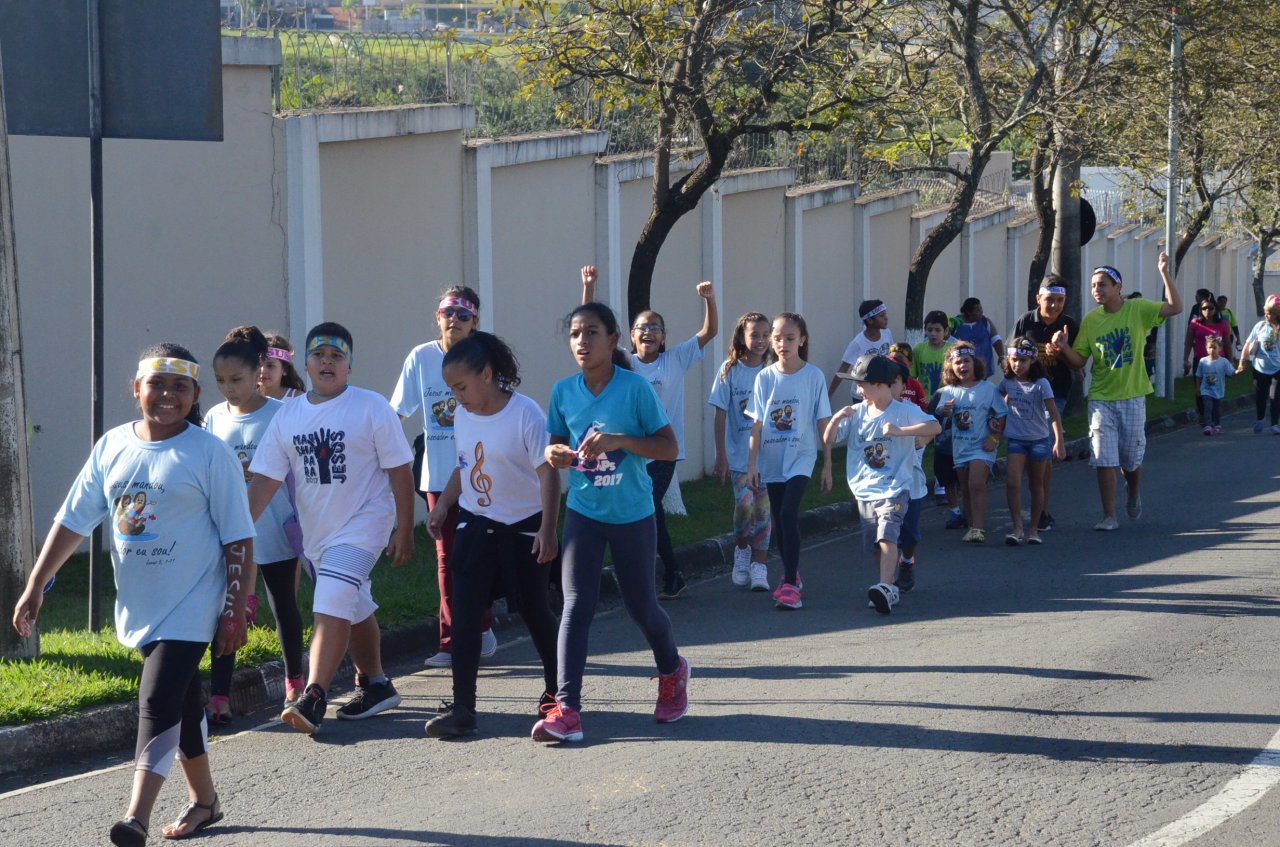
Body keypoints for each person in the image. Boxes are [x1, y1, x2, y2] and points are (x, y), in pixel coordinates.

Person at [12, 344, 255, 845]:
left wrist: (235, 610)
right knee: (183, 706)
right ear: (136, 389)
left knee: (158, 698)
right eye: (157, 385)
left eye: (180, 387)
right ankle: (205, 803)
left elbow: (239, 537)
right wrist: (36, 584)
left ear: (194, 395)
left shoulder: (210, 453)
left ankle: (135, 817)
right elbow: (73, 520)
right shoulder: (112, 446)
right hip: (142, 605)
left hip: (193, 604)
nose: (167, 395)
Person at [248, 323, 416, 735]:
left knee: (332, 600)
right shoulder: (288, 415)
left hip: (366, 523)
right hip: (318, 532)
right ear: (305, 364)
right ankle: (375, 683)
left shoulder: (371, 407)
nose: (327, 361)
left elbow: (400, 471)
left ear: (349, 366)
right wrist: (232, 531)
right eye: (319, 355)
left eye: (336, 356)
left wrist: (405, 528)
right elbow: (266, 481)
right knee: (353, 603)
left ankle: (314, 695)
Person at [534, 302, 689, 743]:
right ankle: (567, 710)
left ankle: (672, 670)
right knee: (575, 605)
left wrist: (621, 440)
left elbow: (668, 447)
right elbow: (554, 448)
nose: (582, 342)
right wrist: (555, 454)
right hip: (584, 513)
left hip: (633, 515)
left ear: (613, 339)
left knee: (642, 607)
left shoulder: (635, 390)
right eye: (575, 334)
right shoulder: (563, 391)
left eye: (592, 333)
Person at [423, 332, 561, 738]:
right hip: (477, 524)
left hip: (525, 528)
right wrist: (445, 505)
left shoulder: (526, 414)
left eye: (461, 387)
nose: (457, 397)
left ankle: (560, 693)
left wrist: (549, 530)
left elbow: (547, 473)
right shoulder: (464, 414)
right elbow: (465, 466)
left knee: (535, 611)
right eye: (451, 389)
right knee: (465, 614)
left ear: (487, 374)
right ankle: (463, 707)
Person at [582, 266, 718, 600]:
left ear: (663, 335)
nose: (649, 333)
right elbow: (588, 331)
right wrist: (589, 288)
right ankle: (663, 574)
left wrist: (709, 300)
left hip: (664, 450)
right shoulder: (623, 361)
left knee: (650, 507)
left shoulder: (676, 359)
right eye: (643, 328)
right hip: (630, 450)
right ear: (631, 335)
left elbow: (710, 331)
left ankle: (667, 574)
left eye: (655, 328)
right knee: (640, 511)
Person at [203, 326, 307, 723]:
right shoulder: (213, 418)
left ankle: (294, 681)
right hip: (229, 533)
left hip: (275, 529)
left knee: (283, 605)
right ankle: (220, 696)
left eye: (238, 380)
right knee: (226, 611)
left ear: (258, 373)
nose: (230, 389)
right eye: (221, 382)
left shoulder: (282, 414)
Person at [391, 286, 497, 669]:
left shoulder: (485, 358)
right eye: (448, 312)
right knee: (448, 557)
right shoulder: (421, 358)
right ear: (437, 317)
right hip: (438, 476)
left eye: (463, 315)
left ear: (475, 322)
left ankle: (482, 625)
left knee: (479, 554)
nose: (454, 320)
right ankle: (451, 641)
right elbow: (397, 412)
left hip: (483, 471)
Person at [1049, 254, 1183, 530]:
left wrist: (1163, 272)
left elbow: (1175, 307)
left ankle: (1133, 491)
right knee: (1103, 459)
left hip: (1133, 396)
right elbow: (1080, 361)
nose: (1097, 290)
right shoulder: (1091, 320)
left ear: (1117, 287)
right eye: (1094, 285)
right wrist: (1064, 349)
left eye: (1103, 284)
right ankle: (1109, 516)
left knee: (1130, 460)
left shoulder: (1137, 309)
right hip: (1101, 399)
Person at [825, 354, 939, 615]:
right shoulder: (855, 413)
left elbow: (935, 426)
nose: (857, 390)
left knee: (888, 534)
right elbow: (828, 439)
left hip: (896, 487)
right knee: (875, 543)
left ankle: (885, 587)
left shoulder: (903, 410)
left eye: (861, 384)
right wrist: (834, 420)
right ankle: (886, 584)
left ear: (879, 385)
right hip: (864, 489)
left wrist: (902, 432)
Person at [746, 312, 833, 610]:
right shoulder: (764, 378)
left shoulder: (814, 376)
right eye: (778, 338)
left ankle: (791, 582)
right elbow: (756, 425)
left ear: (802, 340)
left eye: (790, 338)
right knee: (781, 524)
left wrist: (828, 465)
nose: (783, 344)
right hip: (771, 459)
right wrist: (752, 464)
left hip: (801, 457)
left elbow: (823, 423)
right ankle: (790, 573)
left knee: (787, 514)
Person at [709, 312, 772, 592]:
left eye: (765, 334)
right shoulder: (729, 370)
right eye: (754, 334)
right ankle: (743, 549)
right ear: (742, 337)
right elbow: (720, 414)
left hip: (768, 458)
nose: (760, 340)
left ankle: (760, 565)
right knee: (744, 505)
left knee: (763, 512)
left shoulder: (774, 370)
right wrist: (721, 455)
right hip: (738, 457)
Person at [1013, 277, 1078, 532]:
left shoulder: (1069, 324)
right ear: (1038, 298)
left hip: (1055, 394)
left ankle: (1042, 512)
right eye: (1049, 299)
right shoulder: (1025, 321)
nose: (1054, 305)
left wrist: (1062, 351)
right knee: (1030, 455)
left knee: (1043, 453)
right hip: (1024, 395)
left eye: (1060, 300)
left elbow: (1078, 364)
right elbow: (1011, 354)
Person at [931, 341, 1007, 544]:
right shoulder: (948, 391)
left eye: (966, 361)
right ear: (951, 367)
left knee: (976, 483)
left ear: (975, 363)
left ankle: (978, 529)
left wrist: (994, 439)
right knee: (965, 487)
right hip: (960, 447)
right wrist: (945, 411)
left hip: (982, 446)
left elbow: (1002, 414)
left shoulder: (988, 389)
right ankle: (972, 525)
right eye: (957, 363)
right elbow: (940, 414)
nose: (962, 366)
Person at [998, 338, 1066, 545]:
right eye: (1014, 360)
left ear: (1033, 361)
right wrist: (996, 421)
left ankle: (1034, 529)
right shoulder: (1007, 382)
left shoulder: (1041, 384)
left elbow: (1054, 415)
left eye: (1023, 361)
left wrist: (1059, 442)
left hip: (1039, 441)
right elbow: (997, 401)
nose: (1018, 365)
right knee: (1012, 482)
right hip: (1016, 440)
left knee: (1036, 485)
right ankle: (1017, 527)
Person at [829, 299, 895, 402]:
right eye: (881, 316)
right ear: (870, 320)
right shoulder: (857, 343)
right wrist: (827, 397)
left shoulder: (887, 334)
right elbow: (842, 370)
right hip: (861, 395)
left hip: (881, 391)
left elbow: (891, 358)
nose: (886, 318)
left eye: (885, 314)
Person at [1184, 298, 1235, 427]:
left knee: (1215, 388)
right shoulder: (1195, 323)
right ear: (1200, 310)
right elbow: (1189, 341)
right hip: (1201, 361)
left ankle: (1214, 417)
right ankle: (1203, 415)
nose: (1207, 311)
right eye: (1204, 308)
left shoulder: (1222, 324)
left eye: (1210, 308)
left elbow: (1227, 343)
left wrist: (1230, 360)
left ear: (1215, 309)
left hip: (1218, 362)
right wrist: (1186, 359)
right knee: (1201, 389)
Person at [1236, 295, 1280, 433]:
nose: (1267, 316)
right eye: (1266, 313)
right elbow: (1248, 344)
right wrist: (1242, 361)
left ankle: (1274, 424)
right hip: (1259, 368)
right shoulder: (1259, 326)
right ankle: (1260, 419)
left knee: (1275, 396)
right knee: (1260, 396)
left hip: (1277, 368)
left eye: (1270, 314)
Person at [950, 297, 1006, 380]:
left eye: (981, 309)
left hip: (983, 369)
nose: (981, 312)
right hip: (963, 369)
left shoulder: (985, 322)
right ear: (969, 312)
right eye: (978, 310)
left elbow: (996, 339)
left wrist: (1001, 356)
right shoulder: (956, 324)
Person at [1196, 335, 1233, 435]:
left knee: (1217, 408)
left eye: (1214, 347)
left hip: (1218, 390)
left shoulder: (1223, 362)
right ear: (1206, 348)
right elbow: (1199, 375)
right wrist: (1198, 388)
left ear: (1220, 348)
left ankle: (1217, 425)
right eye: (1209, 347)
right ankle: (1208, 425)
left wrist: (1239, 370)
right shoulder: (1203, 361)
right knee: (1207, 406)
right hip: (1206, 389)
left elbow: (1231, 372)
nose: (1212, 350)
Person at [911, 311, 954, 398]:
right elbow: (912, 378)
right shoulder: (918, 349)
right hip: (923, 401)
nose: (933, 334)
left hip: (947, 401)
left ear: (945, 331)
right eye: (930, 330)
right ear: (925, 330)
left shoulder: (952, 351)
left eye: (937, 330)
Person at [257, 332, 307, 400]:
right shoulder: (245, 398)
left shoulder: (297, 399)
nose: (263, 370)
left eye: (270, 366)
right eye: (258, 364)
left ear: (285, 370)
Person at [888, 343, 928, 410]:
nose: (894, 362)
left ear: (910, 365)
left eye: (899, 359)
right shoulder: (883, 381)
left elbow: (925, 409)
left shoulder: (915, 384)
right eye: (890, 359)